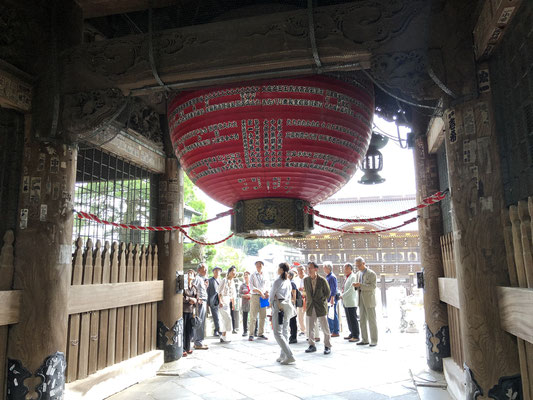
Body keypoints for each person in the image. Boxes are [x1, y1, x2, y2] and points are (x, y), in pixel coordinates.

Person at [270, 262, 296, 365]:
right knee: (285, 331)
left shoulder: (277, 281)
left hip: (278, 305)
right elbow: (289, 294)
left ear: (281, 269)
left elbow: (272, 295)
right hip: (286, 305)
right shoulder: (287, 280)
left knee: (277, 332)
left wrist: (270, 303)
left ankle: (289, 355)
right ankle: (283, 354)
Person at [303, 262, 332, 354]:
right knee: (310, 327)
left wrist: (321, 300)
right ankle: (311, 345)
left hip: (320, 306)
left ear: (316, 269)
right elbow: (306, 292)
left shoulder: (322, 280)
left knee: (325, 327)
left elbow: (328, 293)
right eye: (308, 268)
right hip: (310, 306)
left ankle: (327, 346)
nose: (308, 270)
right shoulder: (306, 280)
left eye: (310, 268)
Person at [354, 257, 378, 347]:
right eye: (357, 265)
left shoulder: (371, 273)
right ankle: (364, 339)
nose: (358, 267)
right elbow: (358, 286)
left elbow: (373, 286)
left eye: (359, 265)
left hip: (369, 300)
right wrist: (356, 286)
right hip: (360, 299)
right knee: (362, 320)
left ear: (364, 263)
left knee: (372, 320)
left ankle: (374, 340)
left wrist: (361, 285)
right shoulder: (357, 274)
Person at [248, 260, 269, 341]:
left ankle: (261, 333)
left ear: (262, 266)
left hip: (263, 297)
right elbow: (251, 287)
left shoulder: (265, 275)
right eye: (257, 265)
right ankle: (251, 334)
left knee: (263, 316)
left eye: (260, 265)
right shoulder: (253, 275)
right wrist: (260, 292)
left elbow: (268, 285)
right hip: (255, 296)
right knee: (253, 316)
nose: (258, 267)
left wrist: (267, 292)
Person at [341, 263, 360, 342]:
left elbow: (351, 289)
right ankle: (352, 333)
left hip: (351, 301)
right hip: (347, 301)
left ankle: (356, 335)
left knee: (353, 319)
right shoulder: (348, 277)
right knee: (348, 319)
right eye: (344, 268)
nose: (344, 270)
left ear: (350, 269)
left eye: (346, 268)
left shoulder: (353, 276)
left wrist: (343, 295)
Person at [218, 266, 237, 343]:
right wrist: (220, 301)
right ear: (229, 272)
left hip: (228, 301)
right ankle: (224, 336)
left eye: (235, 271)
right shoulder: (224, 280)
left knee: (225, 319)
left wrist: (233, 303)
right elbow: (219, 292)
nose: (234, 272)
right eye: (232, 271)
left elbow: (232, 294)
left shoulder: (232, 282)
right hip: (223, 300)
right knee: (227, 318)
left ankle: (224, 336)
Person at [193, 263, 209, 350]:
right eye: (204, 269)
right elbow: (193, 288)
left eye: (206, 269)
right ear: (199, 270)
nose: (206, 270)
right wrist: (197, 298)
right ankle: (198, 342)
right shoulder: (197, 278)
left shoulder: (202, 279)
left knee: (201, 322)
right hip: (200, 301)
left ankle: (198, 341)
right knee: (199, 322)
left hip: (203, 301)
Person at [183, 269, 199, 357]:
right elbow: (180, 296)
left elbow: (197, 297)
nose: (190, 275)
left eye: (192, 273)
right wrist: (190, 299)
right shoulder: (183, 286)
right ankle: (182, 349)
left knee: (189, 330)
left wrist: (195, 300)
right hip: (184, 309)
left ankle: (188, 347)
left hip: (191, 310)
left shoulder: (194, 287)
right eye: (188, 273)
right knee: (183, 329)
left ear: (194, 277)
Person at [239, 271, 258, 337]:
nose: (246, 276)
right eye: (245, 275)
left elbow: (255, 292)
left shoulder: (253, 284)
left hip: (253, 302)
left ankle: (256, 331)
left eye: (247, 275)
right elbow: (239, 294)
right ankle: (245, 331)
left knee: (254, 316)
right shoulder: (242, 285)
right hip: (245, 303)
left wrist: (250, 295)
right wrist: (244, 295)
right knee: (245, 317)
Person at [324, 262, 340, 337]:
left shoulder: (332, 277)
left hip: (331, 298)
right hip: (328, 298)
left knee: (332, 314)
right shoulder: (328, 276)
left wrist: (332, 298)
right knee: (330, 314)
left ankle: (335, 331)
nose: (324, 269)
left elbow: (333, 289)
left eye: (325, 267)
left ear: (328, 268)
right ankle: (332, 330)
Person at [207, 266, 222, 336]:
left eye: (218, 271)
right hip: (213, 301)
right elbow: (208, 292)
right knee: (216, 316)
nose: (217, 272)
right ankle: (217, 330)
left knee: (220, 316)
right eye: (215, 271)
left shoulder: (221, 281)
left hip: (221, 300)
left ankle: (218, 329)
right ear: (213, 272)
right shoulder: (210, 280)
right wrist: (208, 303)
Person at [293, 265, 307, 337]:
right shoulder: (295, 279)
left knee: (307, 315)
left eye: (301, 270)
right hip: (299, 298)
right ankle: (302, 330)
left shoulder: (307, 278)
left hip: (307, 298)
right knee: (300, 315)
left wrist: (304, 289)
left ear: (304, 270)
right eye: (298, 270)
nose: (300, 272)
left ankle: (308, 330)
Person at [288, 270, 299, 344]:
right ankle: (292, 335)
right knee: (291, 321)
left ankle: (293, 336)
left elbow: (294, 294)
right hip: (290, 303)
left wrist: (293, 302)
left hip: (291, 304)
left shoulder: (292, 283)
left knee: (292, 321)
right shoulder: (289, 282)